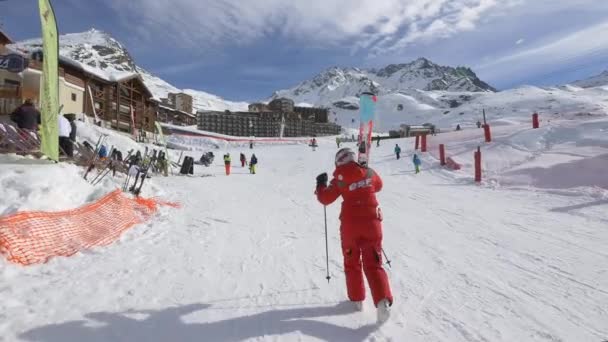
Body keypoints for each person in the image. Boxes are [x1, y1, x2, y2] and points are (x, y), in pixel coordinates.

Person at [315, 147, 393, 323]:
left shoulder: (339, 180)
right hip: (372, 223)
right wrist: (365, 174)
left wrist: (320, 185)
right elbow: (379, 185)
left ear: (339, 162)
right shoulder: (368, 172)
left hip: (350, 226)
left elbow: (325, 199)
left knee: (352, 262)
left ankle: (357, 299)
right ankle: (382, 302)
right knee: (374, 263)